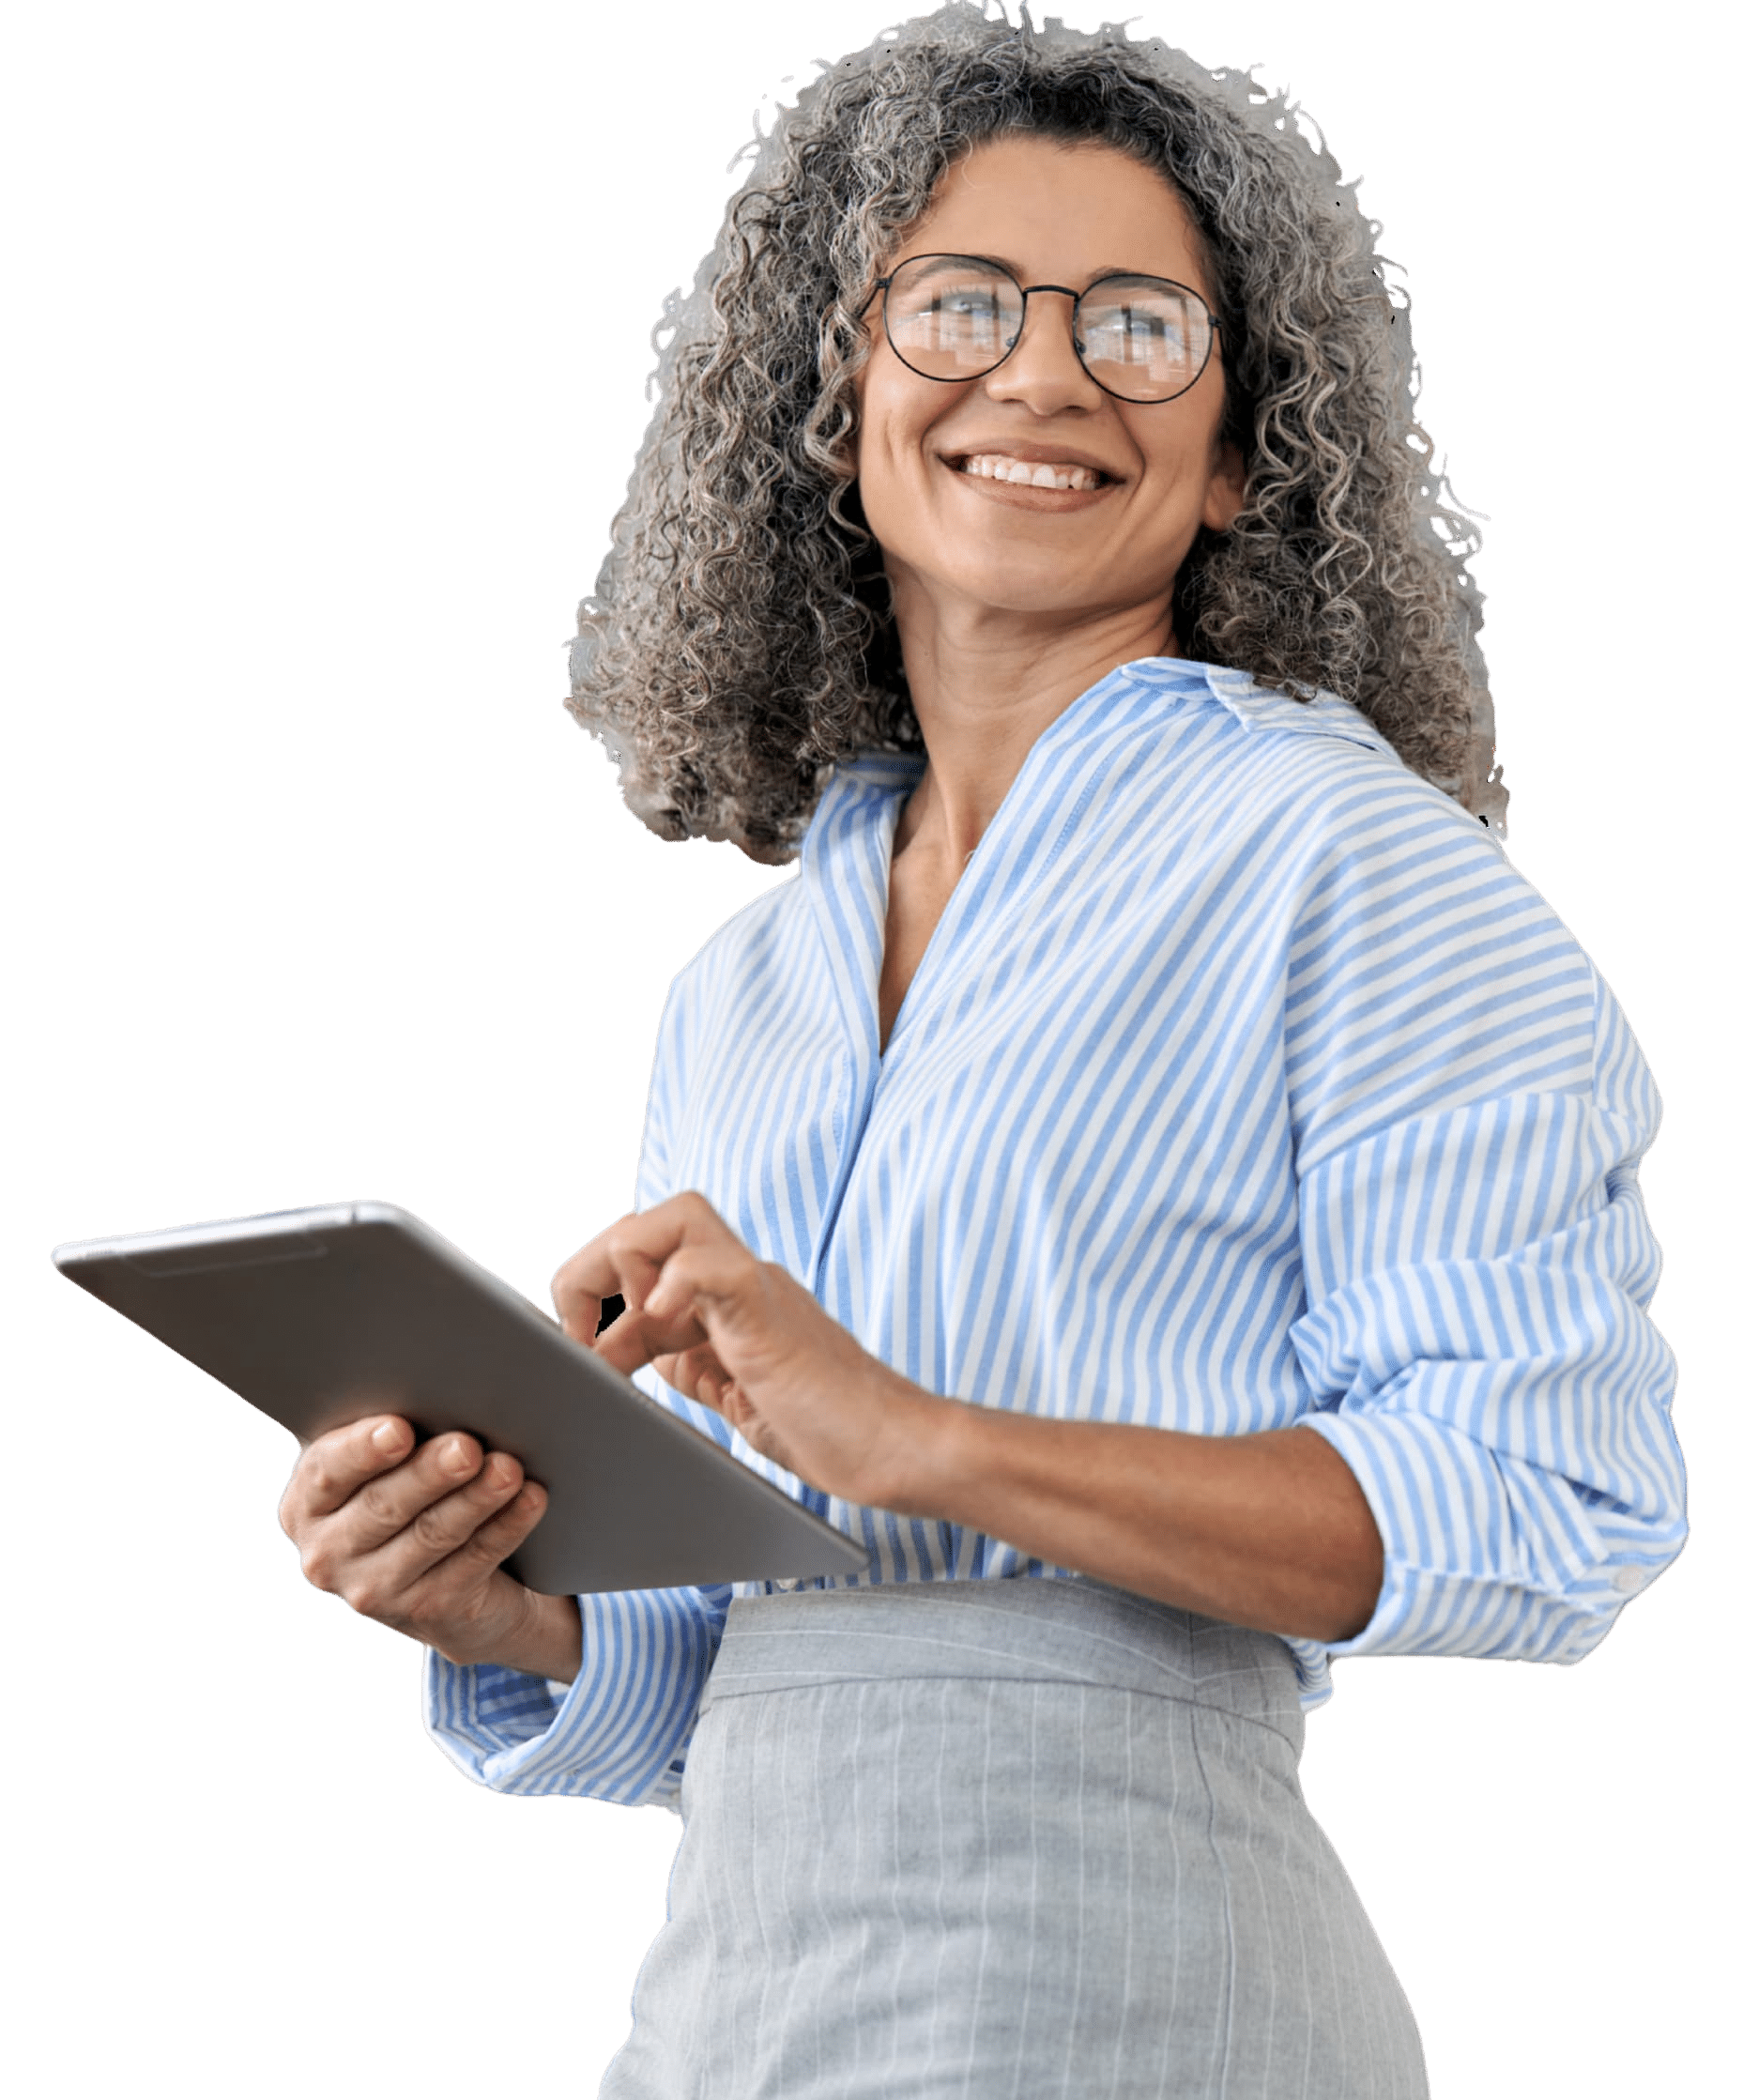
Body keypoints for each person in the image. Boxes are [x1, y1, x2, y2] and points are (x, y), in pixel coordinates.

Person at [275, 8, 1688, 2093]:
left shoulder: (1348, 865)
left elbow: (1549, 1496)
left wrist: (925, 1434)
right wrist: (509, 1605)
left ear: (1239, 452)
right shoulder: (747, 984)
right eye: (958, 305)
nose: (1038, 373)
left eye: (1135, 324)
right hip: (742, 2009)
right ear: (831, 393)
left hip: (1140, 1989)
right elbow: (765, 1668)